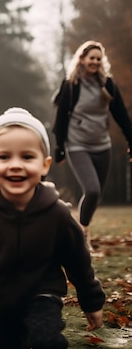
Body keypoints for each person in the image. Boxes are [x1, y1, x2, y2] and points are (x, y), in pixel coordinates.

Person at [0, 107, 105, 349]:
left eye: (27, 157)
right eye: (4, 157)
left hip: (44, 296)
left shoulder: (57, 214)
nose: (16, 165)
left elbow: (78, 260)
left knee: (46, 339)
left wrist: (91, 302)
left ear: (45, 165)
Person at [52, 40, 132, 250]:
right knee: (93, 190)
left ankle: (83, 228)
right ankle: (81, 232)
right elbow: (61, 118)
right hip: (78, 145)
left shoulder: (107, 84)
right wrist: (59, 146)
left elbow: (121, 115)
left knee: (96, 194)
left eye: (98, 58)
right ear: (82, 59)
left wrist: (130, 139)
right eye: (91, 58)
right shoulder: (72, 84)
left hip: (102, 145)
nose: (95, 61)